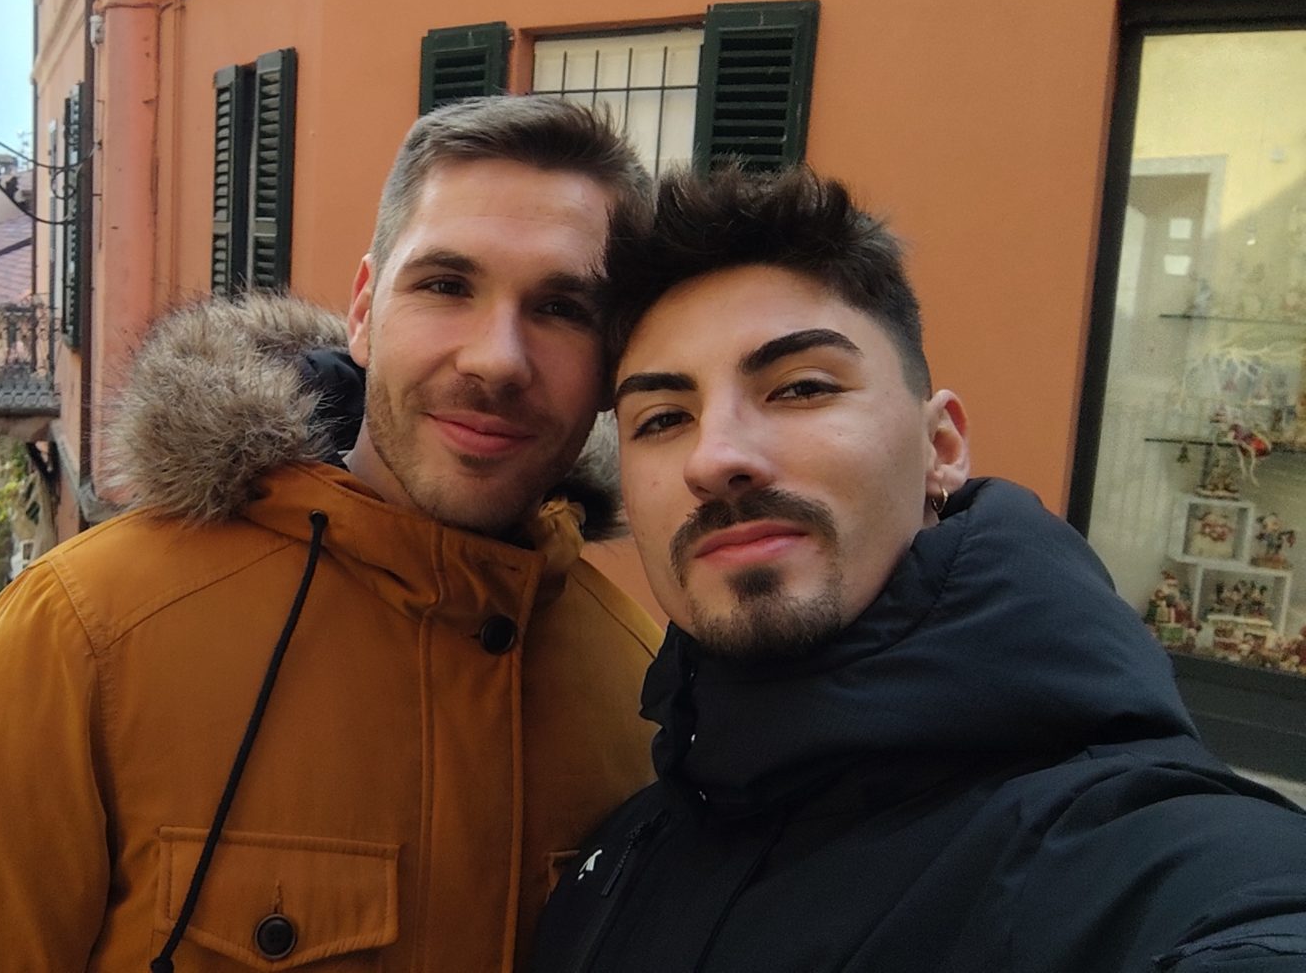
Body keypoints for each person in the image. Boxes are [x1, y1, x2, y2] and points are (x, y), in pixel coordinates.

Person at [0, 96, 663, 971]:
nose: (498, 358)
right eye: (446, 285)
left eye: (563, 308)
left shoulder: (643, 688)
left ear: (615, 356)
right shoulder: (87, 632)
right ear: (363, 310)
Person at [531, 166, 1306, 972]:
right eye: (662, 418)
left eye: (799, 388)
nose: (717, 456)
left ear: (941, 448)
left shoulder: (1125, 853)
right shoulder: (616, 861)